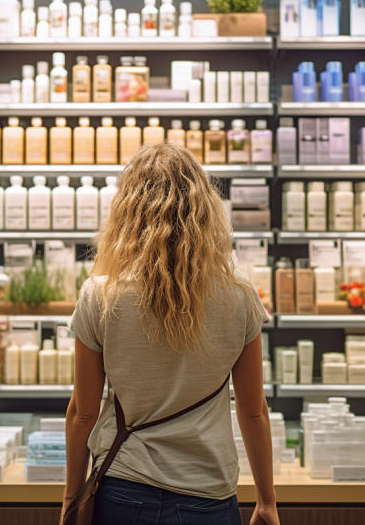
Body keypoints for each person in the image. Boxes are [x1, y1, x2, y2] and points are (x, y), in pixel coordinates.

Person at [62, 142, 279, 525]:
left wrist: (71, 497)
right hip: (208, 494)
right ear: (205, 209)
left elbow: (83, 413)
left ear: (127, 209)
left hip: (123, 489)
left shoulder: (101, 293)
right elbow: (252, 410)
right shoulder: (239, 295)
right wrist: (266, 500)